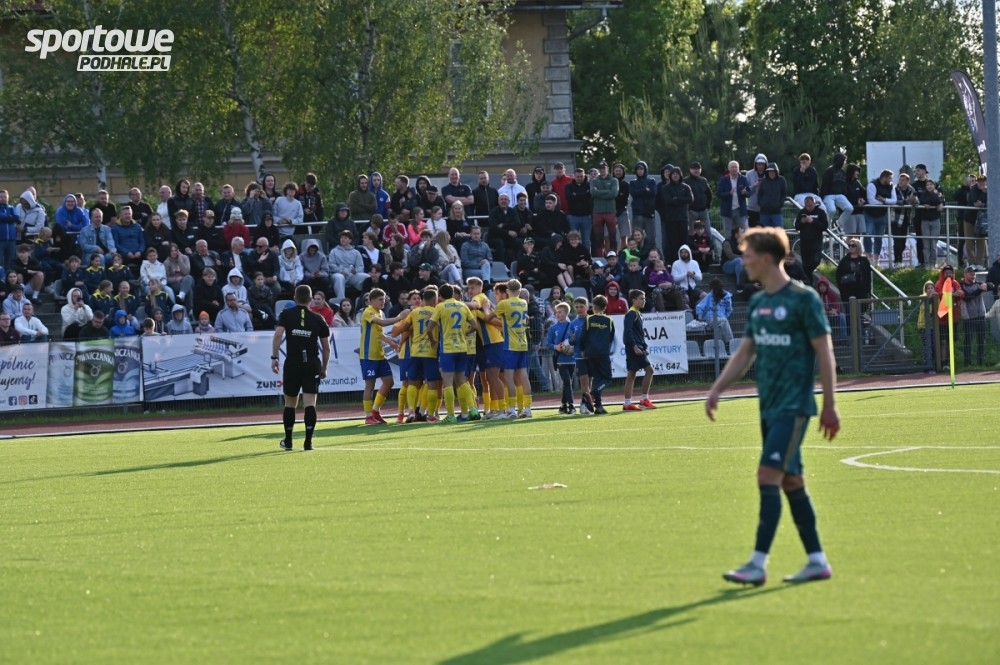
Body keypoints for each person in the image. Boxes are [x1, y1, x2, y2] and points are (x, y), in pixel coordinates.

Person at [706, 226, 839, 587]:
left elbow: (825, 353)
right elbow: (745, 352)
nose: (743, 262)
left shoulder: (803, 299)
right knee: (791, 482)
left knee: (767, 476)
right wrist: (717, 388)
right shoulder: (758, 302)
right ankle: (817, 561)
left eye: (747, 256)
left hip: (794, 406)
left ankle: (757, 563)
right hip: (768, 406)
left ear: (766, 259)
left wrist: (830, 404)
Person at [270, 284, 331, 451]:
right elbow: (326, 348)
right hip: (311, 363)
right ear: (311, 299)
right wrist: (324, 367)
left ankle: (288, 441)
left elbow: (278, 334)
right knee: (310, 403)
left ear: (295, 298)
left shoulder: (286, 314)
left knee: (290, 403)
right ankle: (308, 442)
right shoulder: (318, 318)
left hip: (293, 362)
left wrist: (274, 357)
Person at [428, 283, 478, 422]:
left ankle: (450, 415)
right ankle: (473, 409)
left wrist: (433, 340)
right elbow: (475, 326)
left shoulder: (440, 307)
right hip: (462, 348)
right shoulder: (463, 305)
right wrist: (464, 333)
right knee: (462, 381)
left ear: (440, 296)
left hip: (448, 349)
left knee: (448, 382)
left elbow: (429, 328)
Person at [360, 288, 408, 425]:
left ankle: (375, 410)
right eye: (380, 299)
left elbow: (378, 333)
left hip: (380, 354)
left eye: (384, 299)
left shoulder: (380, 312)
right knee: (370, 385)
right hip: (369, 355)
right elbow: (381, 323)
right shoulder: (368, 311)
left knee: (389, 382)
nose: (383, 302)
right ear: (372, 300)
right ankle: (368, 416)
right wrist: (399, 317)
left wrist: (390, 342)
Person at [487, 278, 532, 418]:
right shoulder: (523, 303)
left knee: (508, 377)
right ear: (519, 290)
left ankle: (511, 409)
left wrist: (486, 307)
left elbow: (488, 318)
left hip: (510, 345)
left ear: (507, 291)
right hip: (522, 343)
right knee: (523, 376)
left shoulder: (504, 304)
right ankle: (527, 408)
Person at [621, 289, 657, 411]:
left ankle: (628, 403)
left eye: (644, 299)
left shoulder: (637, 313)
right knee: (649, 370)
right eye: (641, 298)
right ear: (634, 300)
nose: (644, 301)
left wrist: (644, 346)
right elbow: (627, 332)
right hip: (634, 348)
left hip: (637, 347)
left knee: (632, 374)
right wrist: (635, 346)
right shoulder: (631, 313)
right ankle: (643, 400)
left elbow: (638, 334)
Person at [578, 294, 614, 414]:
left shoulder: (589, 319)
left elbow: (583, 337)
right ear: (605, 307)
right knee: (607, 378)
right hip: (603, 353)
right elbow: (611, 337)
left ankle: (598, 407)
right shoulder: (609, 320)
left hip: (590, 353)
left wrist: (583, 350)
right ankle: (593, 393)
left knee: (597, 378)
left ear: (593, 307)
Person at [793, 195, 829, 285]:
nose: (808, 208)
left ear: (814, 203)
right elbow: (797, 226)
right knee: (805, 265)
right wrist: (802, 222)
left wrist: (812, 221)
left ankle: (808, 278)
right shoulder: (802, 212)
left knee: (816, 260)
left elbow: (825, 226)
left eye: (810, 205)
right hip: (804, 241)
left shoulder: (821, 212)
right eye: (806, 206)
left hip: (816, 241)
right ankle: (809, 283)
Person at [863, 169, 897, 262]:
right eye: (890, 178)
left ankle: (876, 260)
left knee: (879, 238)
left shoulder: (891, 186)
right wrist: (885, 203)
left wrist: (884, 200)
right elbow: (871, 200)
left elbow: (894, 201)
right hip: (869, 215)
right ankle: (868, 257)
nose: (891, 180)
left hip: (882, 216)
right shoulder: (872, 185)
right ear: (884, 177)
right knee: (867, 235)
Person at [959, 266, 988, 366]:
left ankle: (981, 363)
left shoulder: (978, 284)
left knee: (981, 340)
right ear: (965, 274)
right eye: (971, 274)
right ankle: (967, 363)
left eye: (974, 274)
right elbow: (967, 297)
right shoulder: (961, 285)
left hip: (981, 316)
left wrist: (987, 285)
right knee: (968, 341)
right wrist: (980, 289)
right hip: (969, 317)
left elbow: (991, 286)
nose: (973, 276)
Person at [590, 160, 619, 257]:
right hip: (597, 211)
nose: (602, 170)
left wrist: (599, 192)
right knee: (598, 237)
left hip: (610, 211)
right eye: (600, 168)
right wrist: (607, 191)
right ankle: (600, 257)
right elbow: (593, 193)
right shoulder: (594, 181)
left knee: (612, 236)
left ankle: (613, 256)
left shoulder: (614, 180)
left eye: (604, 168)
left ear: (607, 168)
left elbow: (613, 194)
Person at [695, 278, 735, 346]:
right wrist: (700, 316)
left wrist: (724, 316)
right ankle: (731, 342)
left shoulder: (727, 296)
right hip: (710, 318)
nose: (711, 290)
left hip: (721, 318)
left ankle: (720, 346)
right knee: (724, 321)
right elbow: (700, 306)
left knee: (719, 327)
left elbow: (729, 309)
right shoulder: (709, 295)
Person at [717, 160, 750, 239]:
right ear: (729, 169)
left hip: (740, 210)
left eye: (736, 167)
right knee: (728, 233)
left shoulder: (743, 179)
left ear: (738, 168)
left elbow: (749, 193)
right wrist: (729, 193)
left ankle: (743, 247)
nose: (734, 169)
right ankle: (729, 247)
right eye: (732, 167)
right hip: (727, 211)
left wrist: (745, 193)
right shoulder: (723, 180)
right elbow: (719, 194)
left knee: (743, 233)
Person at [820, 153, 852, 230]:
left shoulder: (843, 172)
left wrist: (845, 195)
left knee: (849, 208)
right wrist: (821, 197)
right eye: (843, 161)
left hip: (840, 195)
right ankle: (826, 226)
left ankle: (839, 223)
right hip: (829, 195)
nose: (844, 163)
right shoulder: (829, 171)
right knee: (831, 210)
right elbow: (825, 184)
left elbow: (844, 186)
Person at [815, 277, 847, 342]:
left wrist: (835, 310)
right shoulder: (815, 295)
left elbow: (837, 306)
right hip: (820, 315)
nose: (822, 287)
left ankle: (843, 338)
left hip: (831, 315)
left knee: (842, 316)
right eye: (821, 286)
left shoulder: (831, 294)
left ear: (827, 286)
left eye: (824, 286)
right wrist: (828, 312)